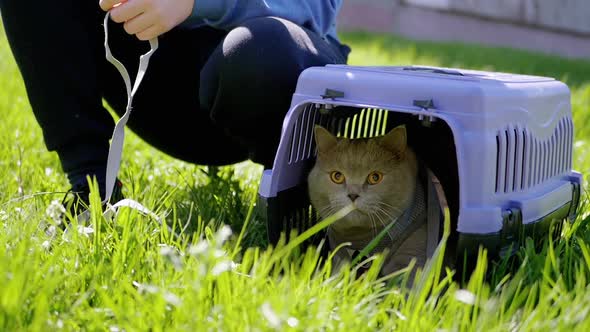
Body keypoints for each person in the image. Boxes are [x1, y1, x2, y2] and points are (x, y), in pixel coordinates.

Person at [0, 0, 350, 207]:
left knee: (260, 50)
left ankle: (291, 200)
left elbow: (313, 7)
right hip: (157, 76)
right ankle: (91, 191)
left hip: (270, 69)